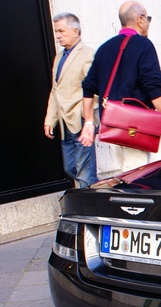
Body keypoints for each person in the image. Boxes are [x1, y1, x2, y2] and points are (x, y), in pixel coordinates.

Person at [79, 1, 161, 172]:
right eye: (148, 19)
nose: (148, 23)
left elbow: (88, 87)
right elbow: (153, 89)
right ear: (140, 20)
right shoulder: (144, 45)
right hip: (135, 126)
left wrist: (88, 122)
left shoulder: (104, 48)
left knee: (127, 171)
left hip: (111, 124)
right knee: (137, 179)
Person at [43, 13, 97, 188]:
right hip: (65, 124)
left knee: (85, 173)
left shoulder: (88, 54)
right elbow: (55, 90)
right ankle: (92, 196)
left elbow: (96, 89)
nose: (57, 35)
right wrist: (50, 119)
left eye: (61, 31)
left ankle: (91, 210)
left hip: (80, 121)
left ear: (75, 31)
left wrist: (86, 117)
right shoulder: (59, 57)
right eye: (56, 31)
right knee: (71, 168)